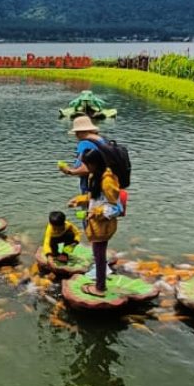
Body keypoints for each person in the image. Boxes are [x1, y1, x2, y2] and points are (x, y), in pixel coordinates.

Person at [78, 148, 122, 297]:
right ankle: (99, 282)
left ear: (95, 164)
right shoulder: (95, 176)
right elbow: (95, 198)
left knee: (100, 256)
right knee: (98, 255)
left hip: (103, 226)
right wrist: (79, 200)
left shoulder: (108, 181)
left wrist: (96, 213)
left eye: (87, 164)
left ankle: (100, 288)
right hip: (96, 224)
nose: (85, 168)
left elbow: (116, 208)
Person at [59, 115, 105, 196]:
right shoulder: (102, 140)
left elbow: (85, 170)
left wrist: (68, 171)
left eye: (76, 133)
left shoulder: (84, 144)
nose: (76, 135)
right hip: (106, 186)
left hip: (92, 190)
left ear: (79, 132)